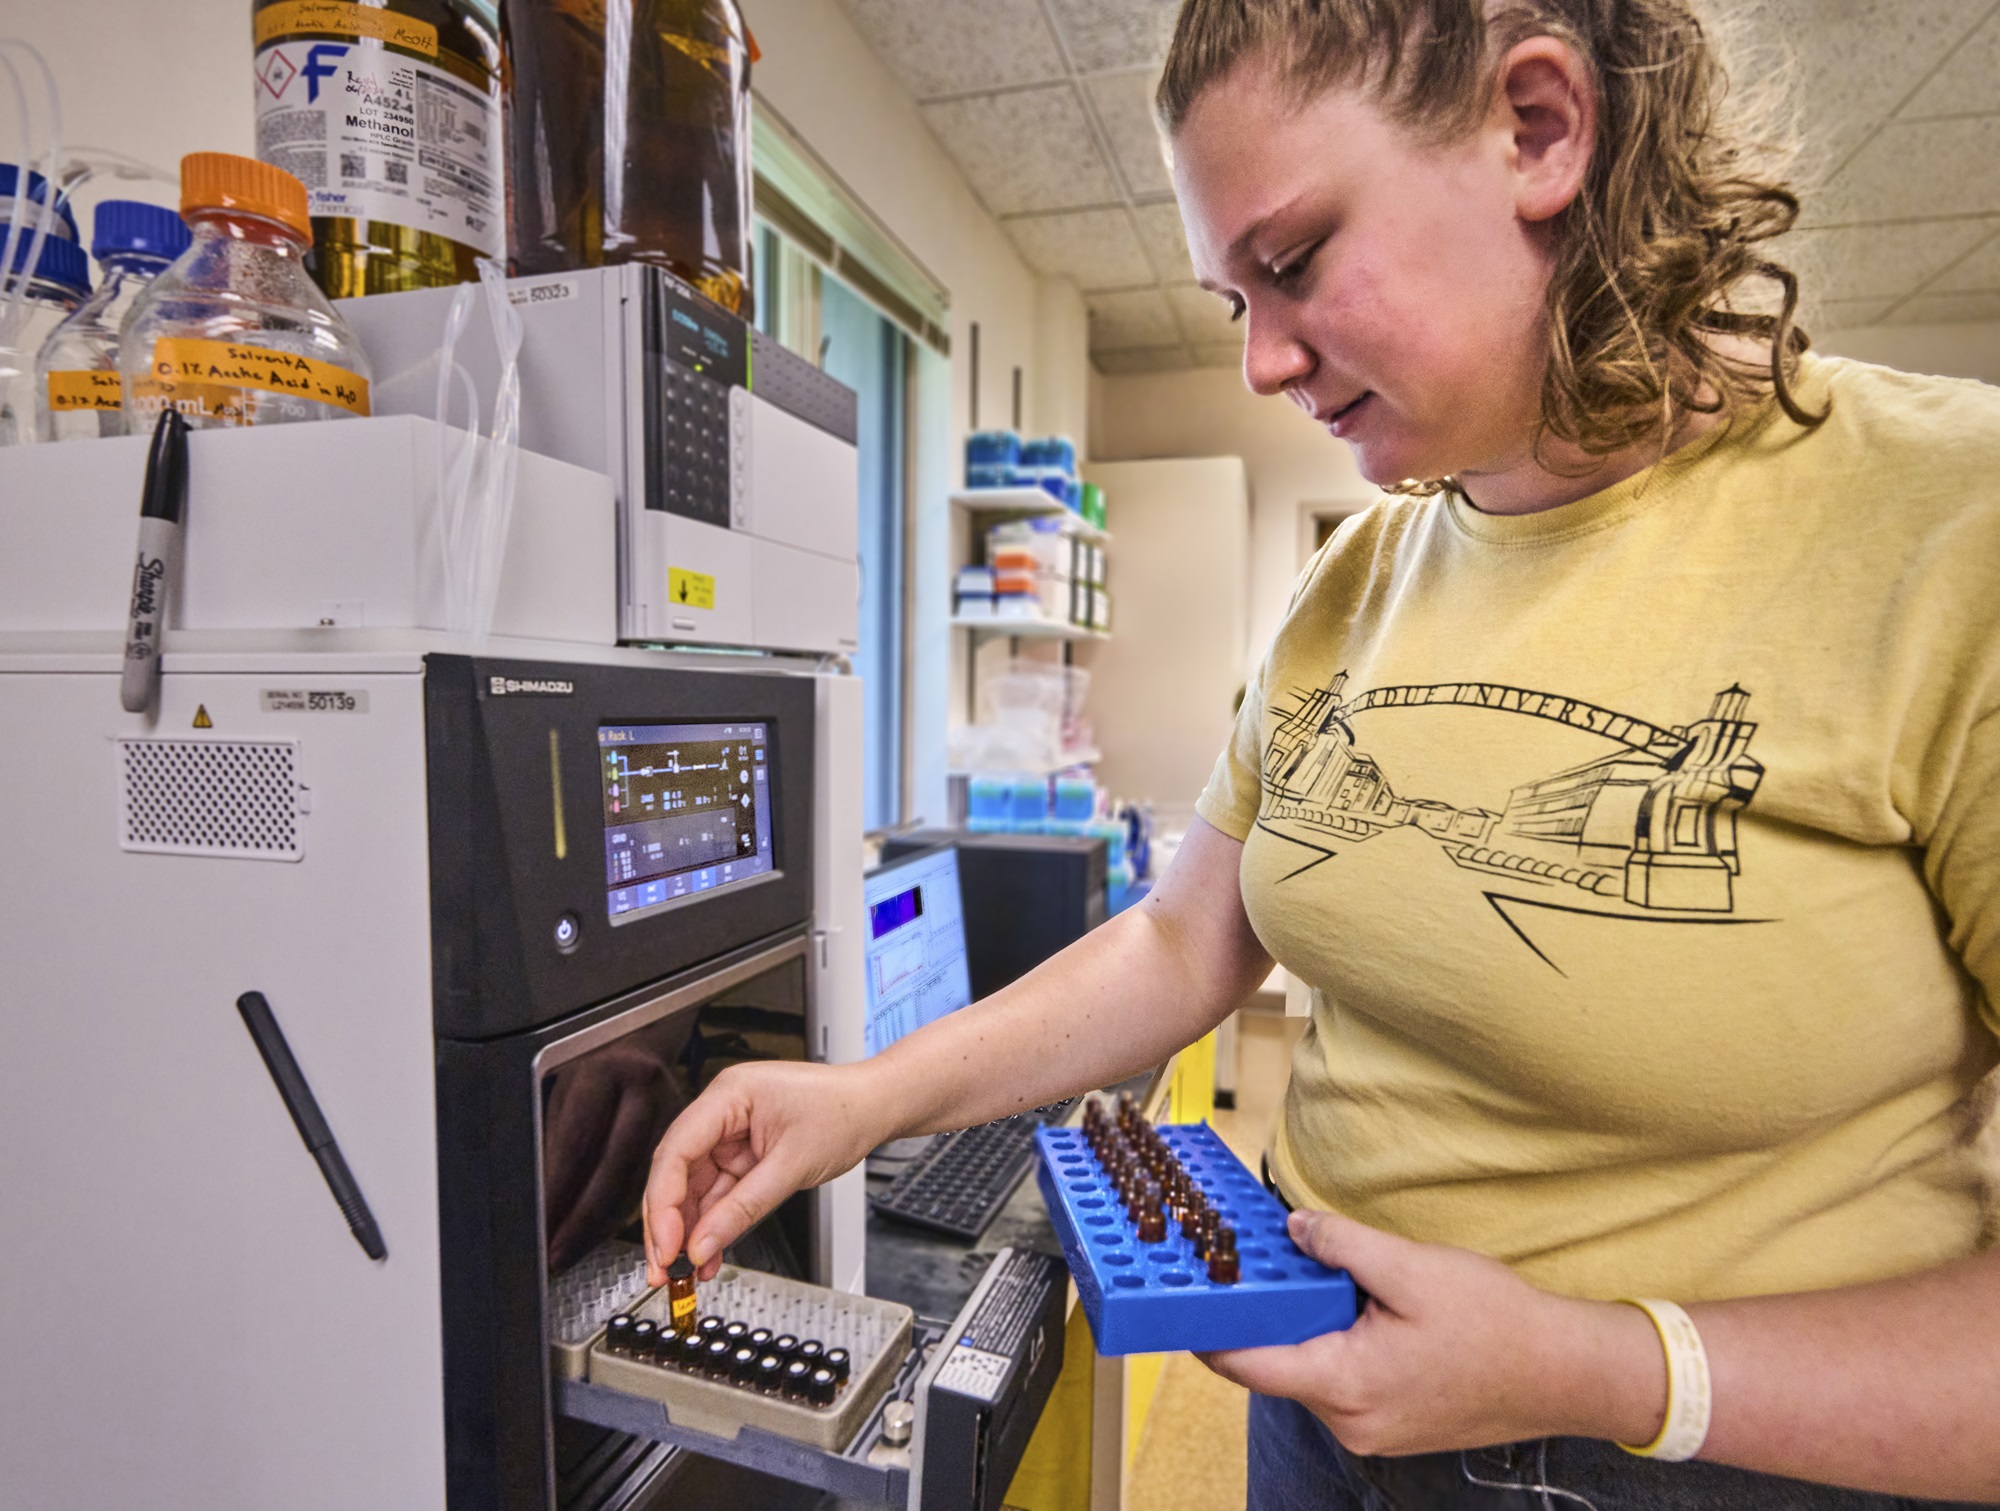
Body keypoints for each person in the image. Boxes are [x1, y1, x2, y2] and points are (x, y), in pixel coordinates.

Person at [643, 0, 2000, 1503]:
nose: (1264, 364)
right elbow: (1179, 947)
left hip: (1712, 1457)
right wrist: (862, 1097)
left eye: (1289, 264)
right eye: (1233, 301)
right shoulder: (1354, 578)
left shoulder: (1951, 526)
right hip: (1322, 1408)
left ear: (1538, 127)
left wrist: (1603, 1364)